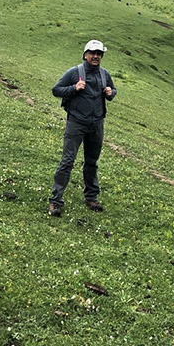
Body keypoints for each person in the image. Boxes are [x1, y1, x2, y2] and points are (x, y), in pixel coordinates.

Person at [48, 39, 117, 217]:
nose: (96, 56)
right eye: (92, 53)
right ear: (85, 54)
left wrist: (111, 93)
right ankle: (55, 201)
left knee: (92, 163)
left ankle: (91, 197)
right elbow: (56, 90)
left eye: (99, 54)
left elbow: (113, 91)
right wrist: (74, 88)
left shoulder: (104, 74)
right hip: (76, 123)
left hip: (96, 125)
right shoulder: (74, 72)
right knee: (67, 161)